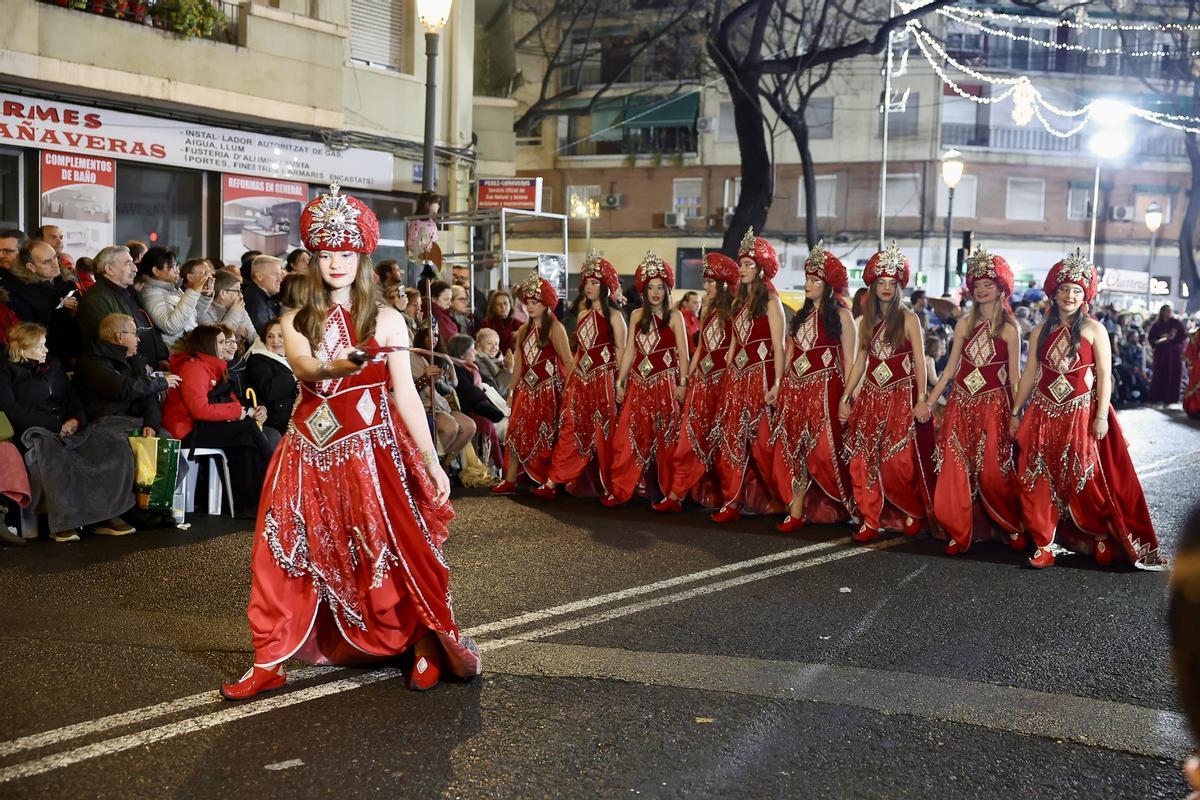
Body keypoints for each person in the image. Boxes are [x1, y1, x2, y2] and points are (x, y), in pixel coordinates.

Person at [220, 183, 480, 700]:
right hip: (303, 454)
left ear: (360, 258)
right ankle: (268, 658)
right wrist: (341, 365)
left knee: (391, 552)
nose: (336, 263)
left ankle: (422, 644)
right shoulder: (294, 319)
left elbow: (406, 397)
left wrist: (431, 462)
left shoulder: (387, 319)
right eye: (325, 254)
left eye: (345, 253)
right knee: (280, 553)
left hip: (372, 455)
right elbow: (305, 367)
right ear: (314, 261)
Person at [1009, 251, 1163, 569]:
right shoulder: (1040, 330)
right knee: (1037, 476)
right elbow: (1030, 374)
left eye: (1076, 291)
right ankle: (1043, 544)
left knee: (1084, 478)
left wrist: (1101, 415)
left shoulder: (1095, 329)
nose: (1069, 295)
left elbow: (1105, 375)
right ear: (1054, 294)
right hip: (1042, 414)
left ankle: (1098, 534)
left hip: (1080, 415)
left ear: (1085, 297)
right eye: (1064, 289)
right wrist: (1015, 411)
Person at [920, 247, 1023, 556]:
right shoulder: (964, 324)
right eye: (977, 285)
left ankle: (1010, 524)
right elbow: (950, 369)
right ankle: (957, 530)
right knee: (954, 467)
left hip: (995, 407)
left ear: (1001, 288)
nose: (981, 290)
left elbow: (1015, 377)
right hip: (961, 405)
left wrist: (1016, 413)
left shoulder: (1010, 328)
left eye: (987, 284)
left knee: (993, 472)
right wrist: (929, 402)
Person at [0, 322, 136, 542]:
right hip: (34, 428)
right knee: (55, 454)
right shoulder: (7, 371)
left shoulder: (53, 366)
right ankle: (65, 519)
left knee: (109, 443)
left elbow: (73, 398)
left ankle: (106, 513)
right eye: (40, 346)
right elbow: (12, 409)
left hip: (67, 426)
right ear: (23, 349)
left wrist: (76, 419)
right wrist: (55, 425)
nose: (46, 350)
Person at [840, 243, 936, 542]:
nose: (885, 288)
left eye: (891, 283)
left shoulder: (909, 319)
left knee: (897, 462)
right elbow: (860, 362)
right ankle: (869, 519)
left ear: (899, 288)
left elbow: (920, 362)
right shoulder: (867, 320)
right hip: (870, 397)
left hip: (900, 398)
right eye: (880, 282)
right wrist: (846, 396)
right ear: (872, 286)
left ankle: (911, 509)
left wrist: (922, 400)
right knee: (862, 459)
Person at [769, 243, 857, 532]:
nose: (807, 285)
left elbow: (850, 360)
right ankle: (795, 511)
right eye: (807, 280)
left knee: (823, 452)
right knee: (794, 450)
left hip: (826, 392)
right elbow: (790, 355)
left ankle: (850, 505)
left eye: (814, 281)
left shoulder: (843, 316)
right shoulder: (800, 316)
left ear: (828, 285)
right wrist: (780, 386)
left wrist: (847, 397)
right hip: (795, 391)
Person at [709, 229, 786, 523]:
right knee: (730, 440)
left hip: (761, 379)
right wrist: (727, 373)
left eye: (747, 265)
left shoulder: (772, 303)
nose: (740, 269)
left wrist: (777, 384)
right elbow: (733, 344)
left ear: (761, 269)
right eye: (740, 264)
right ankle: (731, 501)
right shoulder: (737, 303)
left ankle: (786, 498)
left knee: (764, 444)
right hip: (736, 378)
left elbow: (778, 347)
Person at [653, 251, 738, 514]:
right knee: (689, 437)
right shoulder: (707, 310)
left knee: (722, 443)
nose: (706, 286)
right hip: (701, 382)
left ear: (722, 284)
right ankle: (676, 495)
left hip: (723, 382)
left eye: (711, 282)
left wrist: (731, 382)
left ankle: (727, 500)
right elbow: (700, 349)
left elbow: (734, 349)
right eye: (706, 281)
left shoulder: (735, 309)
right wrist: (686, 380)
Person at [602, 253, 689, 507]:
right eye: (650, 287)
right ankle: (620, 489)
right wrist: (620, 382)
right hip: (637, 387)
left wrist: (683, 384)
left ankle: (671, 494)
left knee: (667, 440)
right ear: (643, 290)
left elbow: (683, 353)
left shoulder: (675, 317)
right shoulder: (636, 315)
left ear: (667, 289)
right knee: (626, 436)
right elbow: (630, 350)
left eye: (660, 287)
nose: (655, 292)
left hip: (665, 387)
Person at [162, 325, 272, 517]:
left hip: (203, 427)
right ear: (207, 344)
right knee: (246, 429)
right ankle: (275, 478)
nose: (226, 346)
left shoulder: (213, 367)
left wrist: (248, 411)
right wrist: (238, 412)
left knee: (245, 439)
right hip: (188, 431)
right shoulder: (194, 368)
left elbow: (230, 401)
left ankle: (253, 503)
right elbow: (200, 410)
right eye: (221, 342)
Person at [542, 253, 626, 499]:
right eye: (587, 283)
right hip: (581, 380)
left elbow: (621, 350)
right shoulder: (581, 315)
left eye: (594, 283)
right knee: (572, 427)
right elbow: (579, 351)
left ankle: (609, 485)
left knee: (604, 432)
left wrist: (620, 384)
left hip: (604, 381)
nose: (589, 287)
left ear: (605, 286)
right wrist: (570, 380)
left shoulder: (615, 316)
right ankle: (553, 481)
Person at [491, 275, 571, 494]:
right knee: (515, 431)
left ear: (546, 304)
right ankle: (510, 479)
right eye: (528, 302)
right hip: (526, 389)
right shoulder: (524, 330)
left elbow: (568, 361)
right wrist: (511, 391)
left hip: (548, 390)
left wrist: (568, 390)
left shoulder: (555, 328)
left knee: (547, 435)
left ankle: (548, 481)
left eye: (536, 302)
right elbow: (518, 363)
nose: (531, 307)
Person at [73, 313, 178, 437]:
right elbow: (123, 388)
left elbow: (149, 397)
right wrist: (159, 382)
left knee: (167, 441)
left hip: (135, 424)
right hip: (104, 428)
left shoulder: (134, 361)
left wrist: (151, 423)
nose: (138, 339)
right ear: (120, 336)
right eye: (134, 334)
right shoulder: (92, 363)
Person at [78, 245, 169, 369]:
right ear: (109, 269)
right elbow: (110, 344)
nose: (135, 268)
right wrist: (140, 369)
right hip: (128, 373)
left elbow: (149, 326)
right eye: (128, 264)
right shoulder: (96, 300)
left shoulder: (128, 292)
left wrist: (160, 357)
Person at [3, 240, 79, 361]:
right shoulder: (22, 293)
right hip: (46, 356)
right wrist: (55, 307)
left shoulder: (67, 283)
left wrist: (74, 312)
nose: (55, 264)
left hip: (74, 351)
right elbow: (29, 331)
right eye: (47, 262)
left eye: (55, 257)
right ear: (31, 267)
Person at [411, 325, 476, 464]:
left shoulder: (439, 357)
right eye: (428, 336)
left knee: (470, 426)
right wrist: (425, 377)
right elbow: (408, 390)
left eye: (435, 336)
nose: (433, 339)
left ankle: (445, 464)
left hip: (440, 403)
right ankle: (429, 465)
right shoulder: (412, 357)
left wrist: (446, 375)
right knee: (450, 428)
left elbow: (450, 387)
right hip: (423, 406)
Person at [445, 333, 505, 470]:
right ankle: (497, 465)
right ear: (462, 354)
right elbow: (467, 393)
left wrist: (481, 389)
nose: (475, 352)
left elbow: (491, 383)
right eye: (472, 349)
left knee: (502, 417)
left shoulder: (472, 367)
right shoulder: (456, 368)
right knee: (493, 423)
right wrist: (482, 391)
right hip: (467, 409)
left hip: (478, 403)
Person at [137, 250, 215, 347]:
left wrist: (205, 296)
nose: (177, 270)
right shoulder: (152, 294)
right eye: (172, 266)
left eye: (177, 266)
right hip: (177, 349)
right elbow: (171, 327)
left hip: (188, 345)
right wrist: (193, 292)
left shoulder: (171, 288)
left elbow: (193, 315)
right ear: (156, 271)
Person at [245, 318, 298, 440]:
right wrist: (294, 377)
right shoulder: (258, 359)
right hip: (277, 419)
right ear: (264, 339)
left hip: (297, 415)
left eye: (280, 336)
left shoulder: (292, 357)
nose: (276, 341)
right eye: (270, 336)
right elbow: (268, 390)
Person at [201, 270, 257, 344]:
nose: (241, 295)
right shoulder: (204, 311)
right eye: (237, 291)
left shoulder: (239, 309)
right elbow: (219, 340)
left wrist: (246, 334)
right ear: (223, 293)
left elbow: (254, 337)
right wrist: (234, 312)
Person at [1149, 304, 1187, 407]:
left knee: (1172, 375)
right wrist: (1158, 340)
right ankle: (1157, 397)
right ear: (1162, 312)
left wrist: (1173, 340)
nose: (1168, 312)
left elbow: (1183, 335)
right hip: (1161, 353)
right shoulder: (1157, 325)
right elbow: (1151, 337)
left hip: (1173, 353)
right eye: (1166, 310)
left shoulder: (1176, 323)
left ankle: (1170, 399)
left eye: (1169, 310)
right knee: (1159, 374)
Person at [244, 255, 285, 338]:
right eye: (275, 274)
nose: (280, 279)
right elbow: (265, 335)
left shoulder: (262, 296)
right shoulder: (255, 301)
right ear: (259, 276)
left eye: (280, 274)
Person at [407, 191, 441, 281]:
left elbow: (433, 242)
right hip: (419, 260)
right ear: (427, 204)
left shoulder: (432, 221)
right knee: (418, 284)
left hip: (429, 260)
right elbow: (412, 243)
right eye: (436, 202)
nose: (438, 206)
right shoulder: (417, 222)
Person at [479, 291, 521, 356]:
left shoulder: (519, 325)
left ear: (510, 305)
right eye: (499, 304)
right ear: (494, 308)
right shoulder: (486, 324)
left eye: (505, 303)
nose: (503, 307)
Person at [474, 328, 512, 396]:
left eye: (496, 344)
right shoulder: (478, 362)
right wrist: (508, 370)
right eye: (489, 343)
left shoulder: (501, 360)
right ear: (478, 344)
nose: (494, 347)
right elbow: (496, 391)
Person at [1185, 325, 1200, 419]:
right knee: (1196, 384)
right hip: (1198, 365)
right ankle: (1195, 408)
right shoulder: (1196, 333)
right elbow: (1191, 350)